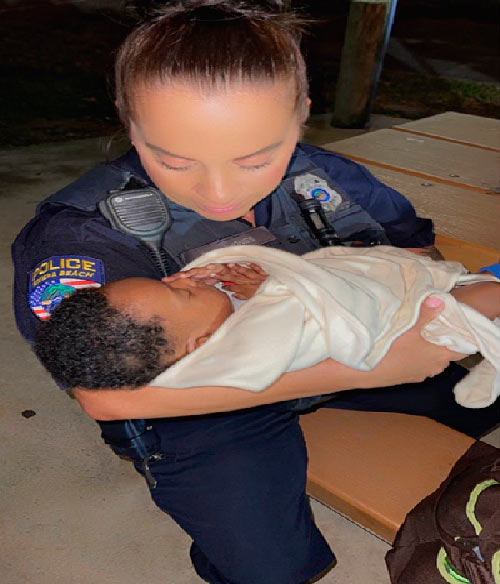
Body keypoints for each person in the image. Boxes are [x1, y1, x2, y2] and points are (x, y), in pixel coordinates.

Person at [11, 2, 500, 582]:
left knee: (483, 391)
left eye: (257, 158)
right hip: (201, 404)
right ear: (128, 123)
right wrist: (367, 370)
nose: (218, 193)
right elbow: (107, 395)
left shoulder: (328, 179)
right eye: (171, 159)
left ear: (301, 117)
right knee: (270, 568)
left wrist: (373, 303)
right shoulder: (81, 234)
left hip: (336, 340)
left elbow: (415, 255)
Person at [34, 245, 500, 410]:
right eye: (180, 292)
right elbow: (302, 321)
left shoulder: (195, 326)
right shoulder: (232, 354)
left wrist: (262, 286)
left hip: (386, 296)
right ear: (201, 344)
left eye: (165, 279)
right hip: (397, 324)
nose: (179, 277)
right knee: (475, 302)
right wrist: (279, 293)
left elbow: (289, 285)